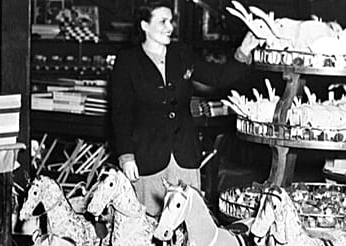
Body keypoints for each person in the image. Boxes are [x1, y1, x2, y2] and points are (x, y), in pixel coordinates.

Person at [110, 2, 260, 216]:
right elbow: (121, 114)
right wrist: (126, 156)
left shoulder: (182, 54)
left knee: (190, 224)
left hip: (185, 157)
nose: (169, 27)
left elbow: (217, 77)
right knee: (149, 225)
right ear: (144, 25)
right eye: (162, 21)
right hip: (148, 157)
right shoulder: (127, 62)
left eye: (171, 21)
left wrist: (244, 50)